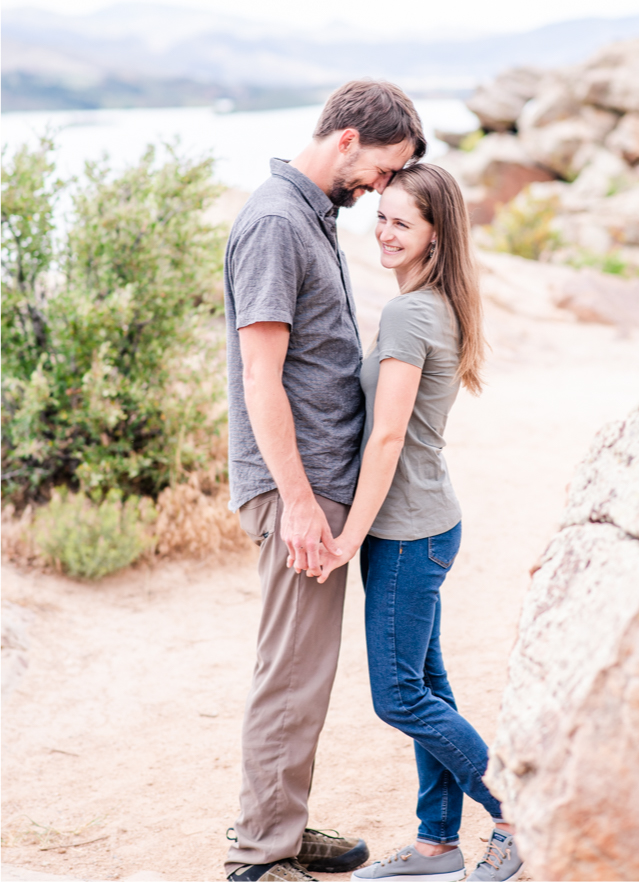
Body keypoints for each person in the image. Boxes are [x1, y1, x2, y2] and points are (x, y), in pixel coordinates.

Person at [224, 80, 426, 881]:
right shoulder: (277, 221)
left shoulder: (307, 215)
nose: (381, 186)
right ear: (346, 139)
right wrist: (302, 505)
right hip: (294, 488)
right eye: (382, 167)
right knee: (292, 669)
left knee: (306, 669)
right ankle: (260, 854)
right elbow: (259, 377)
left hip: (315, 482)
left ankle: (281, 821)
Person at [308, 163, 521, 882]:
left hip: (406, 533)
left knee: (399, 695)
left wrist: (347, 538)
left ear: (435, 235)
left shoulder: (408, 314)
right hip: (426, 524)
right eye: (383, 216)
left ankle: (518, 814)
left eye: (403, 221)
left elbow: (388, 437)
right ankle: (437, 844)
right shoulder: (436, 304)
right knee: (426, 687)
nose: (385, 231)